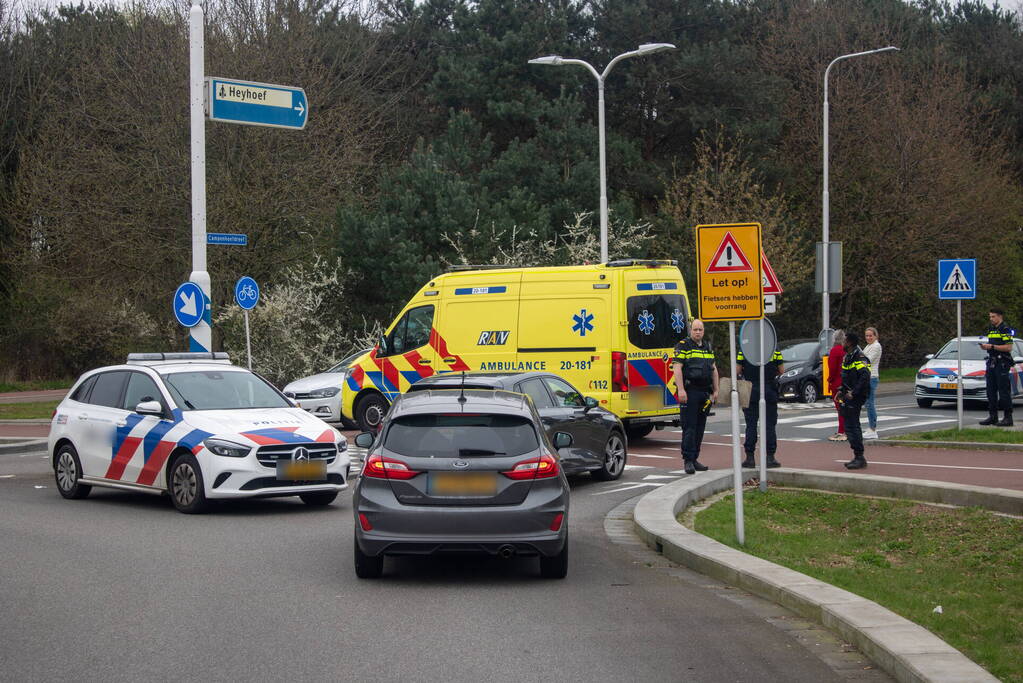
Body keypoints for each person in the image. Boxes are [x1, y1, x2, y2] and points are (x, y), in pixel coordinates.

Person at [672, 319, 719, 475]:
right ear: (690, 330)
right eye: (695, 329)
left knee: (700, 427)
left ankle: (695, 458)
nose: (698, 332)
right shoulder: (683, 345)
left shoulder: (707, 347)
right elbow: (677, 368)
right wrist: (681, 390)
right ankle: (688, 460)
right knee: (689, 427)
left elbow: (713, 369)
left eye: (700, 329)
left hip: (704, 392)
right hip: (690, 391)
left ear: (703, 331)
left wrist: (716, 390)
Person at [737, 346, 784, 468]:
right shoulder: (773, 347)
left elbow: (737, 369)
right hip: (769, 389)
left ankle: (750, 458)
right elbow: (781, 370)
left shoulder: (745, 349)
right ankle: (770, 457)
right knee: (769, 425)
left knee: (751, 424)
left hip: (750, 388)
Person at [837, 332, 871, 469]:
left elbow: (865, 376)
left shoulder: (859, 357)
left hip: (856, 396)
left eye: (844, 341)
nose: (842, 343)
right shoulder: (848, 357)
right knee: (849, 425)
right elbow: (846, 377)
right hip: (849, 394)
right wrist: (841, 390)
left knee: (852, 426)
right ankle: (858, 456)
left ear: (850, 343)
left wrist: (853, 392)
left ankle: (859, 457)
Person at [979, 308, 1015, 427]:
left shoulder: (1005, 329)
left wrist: (992, 346)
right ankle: (993, 416)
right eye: (990, 317)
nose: (991, 319)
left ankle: (1008, 418)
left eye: (993, 317)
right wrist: (986, 347)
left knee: (1004, 391)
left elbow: (1008, 347)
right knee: (991, 390)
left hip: (1002, 362)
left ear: (1000, 316)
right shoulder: (991, 329)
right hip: (992, 361)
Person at [862, 327, 882, 439]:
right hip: (866, 377)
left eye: (871, 335)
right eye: (867, 336)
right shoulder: (869, 346)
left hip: (871, 377)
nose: (868, 338)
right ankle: (871, 427)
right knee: (867, 403)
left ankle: (873, 429)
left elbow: (867, 360)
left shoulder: (876, 346)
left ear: (875, 336)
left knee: (870, 403)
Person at [826, 329, 846, 441]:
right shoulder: (846, 350)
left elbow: (832, 368)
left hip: (837, 383)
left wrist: (830, 380)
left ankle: (842, 431)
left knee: (840, 408)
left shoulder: (834, 351)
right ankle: (847, 430)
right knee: (846, 407)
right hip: (846, 382)